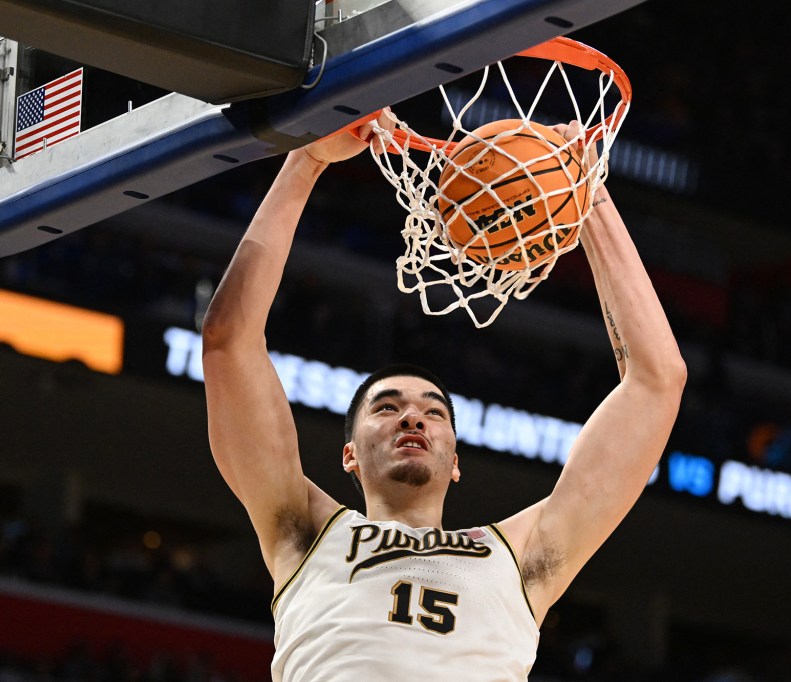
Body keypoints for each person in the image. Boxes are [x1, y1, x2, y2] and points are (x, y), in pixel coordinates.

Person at [200, 112, 687, 680]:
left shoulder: (519, 559)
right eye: (386, 407)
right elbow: (227, 341)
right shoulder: (303, 531)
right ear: (349, 454)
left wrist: (586, 190)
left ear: (456, 462)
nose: (413, 416)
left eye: (435, 412)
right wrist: (304, 161)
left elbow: (658, 381)